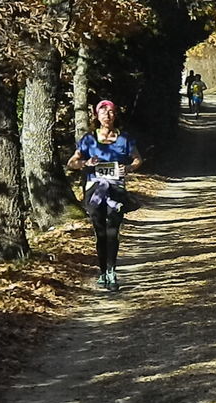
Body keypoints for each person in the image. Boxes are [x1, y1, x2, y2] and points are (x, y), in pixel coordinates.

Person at [67, 100, 142, 291]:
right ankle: (102, 272)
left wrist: (129, 167)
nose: (107, 116)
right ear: (96, 116)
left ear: (115, 115)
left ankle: (112, 271)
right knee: (100, 232)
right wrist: (85, 163)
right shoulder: (88, 140)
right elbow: (71, 162)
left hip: (116, 189)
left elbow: (137, 159)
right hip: (94, 191)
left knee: (113, 231)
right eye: (103, 112)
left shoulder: (124, 139)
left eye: (110, 112)